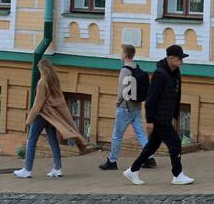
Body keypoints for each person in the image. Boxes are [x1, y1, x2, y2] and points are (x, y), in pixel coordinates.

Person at [123, 44, 194, 186]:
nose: (182, 62)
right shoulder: (159, 74)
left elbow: (176, 95)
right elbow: (151, 99)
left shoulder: (175, 73)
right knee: (175, 144)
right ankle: (177, 174)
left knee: (152, 146)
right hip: (159, 117)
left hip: (167, 115)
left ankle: (132, 170)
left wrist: (175, 115)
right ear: (171, 58)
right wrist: (149, 120)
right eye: (180, 59)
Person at [14, 59, 92, 179]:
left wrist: (29, 120)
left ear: (42, 69)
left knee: (32, 140)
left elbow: (37, 104)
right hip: (52, 117)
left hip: (42, 115)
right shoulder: (54, 81)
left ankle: (27, 169)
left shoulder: (42, 83)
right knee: (53, 141)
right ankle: (57, 168)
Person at [100, 43, 156, 171]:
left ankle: (112, 161)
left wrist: (117, 102)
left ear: (125, 55)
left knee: (117, 135)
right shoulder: (138, 68)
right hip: (136, 107)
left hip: (125, 108)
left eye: (121, 53)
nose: (120, 55)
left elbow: (122, 90)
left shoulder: (125, 70)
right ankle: (150, 158)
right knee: (141, 133)